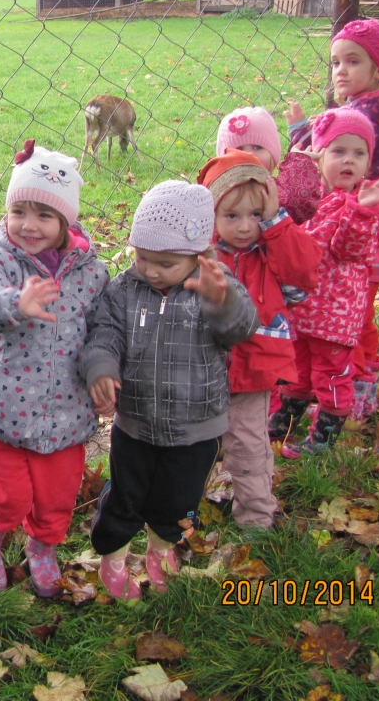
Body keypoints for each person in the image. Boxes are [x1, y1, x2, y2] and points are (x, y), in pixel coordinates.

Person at [85, 181, 259, 600]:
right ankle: (113, 554)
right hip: (135, 423)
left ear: (199, 255)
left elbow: (241, 329)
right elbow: (104, 333)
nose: (150, 270)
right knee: (125, 494)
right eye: (142, 257)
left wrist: (221, 303)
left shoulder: (216, 286)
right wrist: (101, 368)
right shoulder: (124, 290)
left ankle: (162, 549)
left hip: (197, 427)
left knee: (179, 500)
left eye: (165, 262)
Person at [0, 139, 109, 597]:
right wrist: (15, 303)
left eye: (44, 215)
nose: (28, 225)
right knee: (2, 493)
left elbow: (104, 329)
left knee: (57, 494)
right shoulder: (1, 259)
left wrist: (103, 369)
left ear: (66, 220)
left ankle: (43, 547)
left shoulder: (91, 272)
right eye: (19, 211)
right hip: (7, 407)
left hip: (68, 409)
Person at [289, 19, 379, 418]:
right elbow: (326, 152)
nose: (340, 71)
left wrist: (303, 137)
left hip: (362, 239)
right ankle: (346, 385)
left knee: (355, 321)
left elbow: (340, 171)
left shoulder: (371, 120)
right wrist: (302, 132)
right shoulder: (365, 110)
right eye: (335, 62)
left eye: (353, 61)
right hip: (351, 234)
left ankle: (355, 394)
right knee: (354, 317)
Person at [197, 151, 319, 528]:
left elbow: (306, 271)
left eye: (255, 214)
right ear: (211, 214)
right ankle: (181, 515)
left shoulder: (271, 250)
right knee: (193, 446)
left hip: (253, 371)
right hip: (202, 369)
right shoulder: (201, 256)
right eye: (232, 216)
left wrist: (276, 222)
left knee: (248, 446)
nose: (245, 226)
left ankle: (256, 518)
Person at [270, 109, 379, 458]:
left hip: (336, 314)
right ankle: (285, 421)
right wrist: (298, 140)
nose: (349, 160)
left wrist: (361, 211)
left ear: (369, 161)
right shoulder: (315, 197)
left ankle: (323, 438)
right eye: (338, 151)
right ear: (321, 155)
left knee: (331, 375)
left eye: (359, 153)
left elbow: (349, 248)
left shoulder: (370, 205)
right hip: (302, 308)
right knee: (297, 370)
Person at [216, 105, 322, 225]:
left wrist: (299, 163)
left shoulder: (276, 191)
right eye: (239, 149)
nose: (249, 154)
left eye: (257, 147)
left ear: (272, 154)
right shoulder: (218, 194)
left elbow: (297, 198)